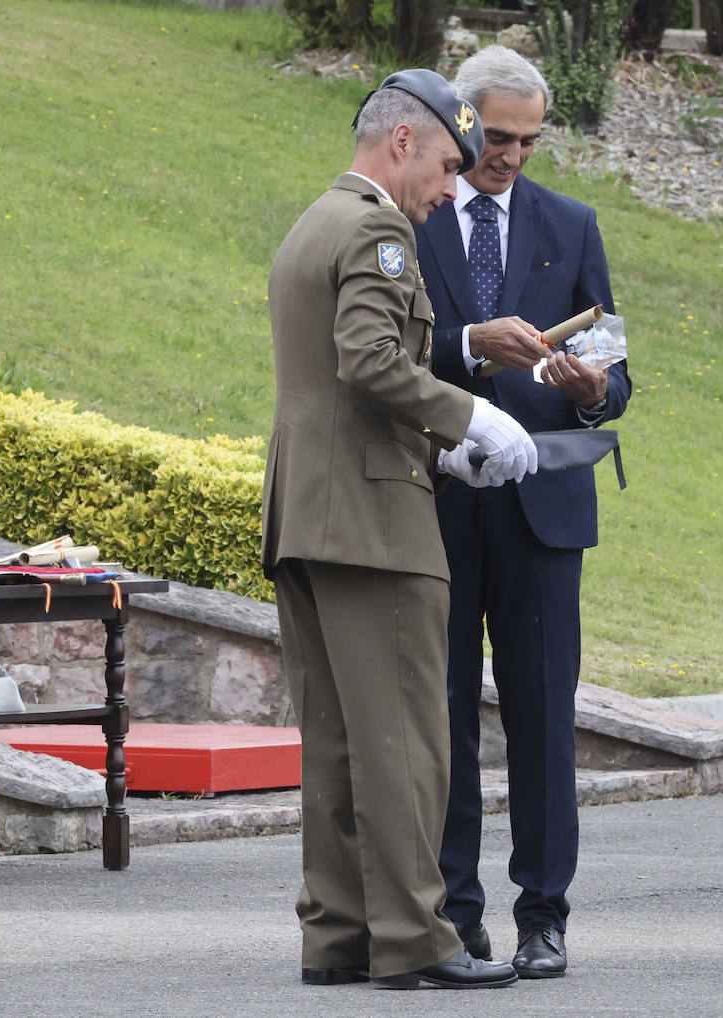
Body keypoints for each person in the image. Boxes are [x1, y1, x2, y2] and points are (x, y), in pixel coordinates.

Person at [262, 67, 542, 991]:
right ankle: (417, 940)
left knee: (339, 740)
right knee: (406, 741)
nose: (448, 192)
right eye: (448, 166)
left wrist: (438, 449)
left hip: (308, 514)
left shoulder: (316, 221)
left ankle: (340, 934)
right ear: (402, 144)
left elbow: (340, 382)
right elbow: (369, 363)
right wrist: (473, 420)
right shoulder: (379, 225)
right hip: (374, 523)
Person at [411, 45, 632, 979]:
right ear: (462, 124)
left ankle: (545, 915)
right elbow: (391, 354)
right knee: (445, 713)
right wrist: (472, 348)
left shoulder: (569, 224)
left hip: (546, 508)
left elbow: (616, 372)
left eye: (527, 141)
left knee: (544, 720)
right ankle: (457, 917)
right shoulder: (411, 219)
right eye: (495, 137)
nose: (508, 157)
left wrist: (591, 388)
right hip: (439, 502)